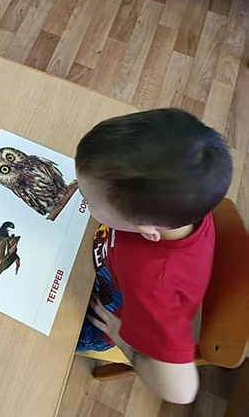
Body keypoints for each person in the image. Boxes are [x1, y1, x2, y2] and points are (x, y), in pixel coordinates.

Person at [74, 108, 232, 404]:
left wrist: (124, 341)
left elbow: (182, 391)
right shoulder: (180, 206)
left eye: (89, 200)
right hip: (109, 266)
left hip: (109, 314)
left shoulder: (155, 286)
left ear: (147, 231)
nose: (80, 197)